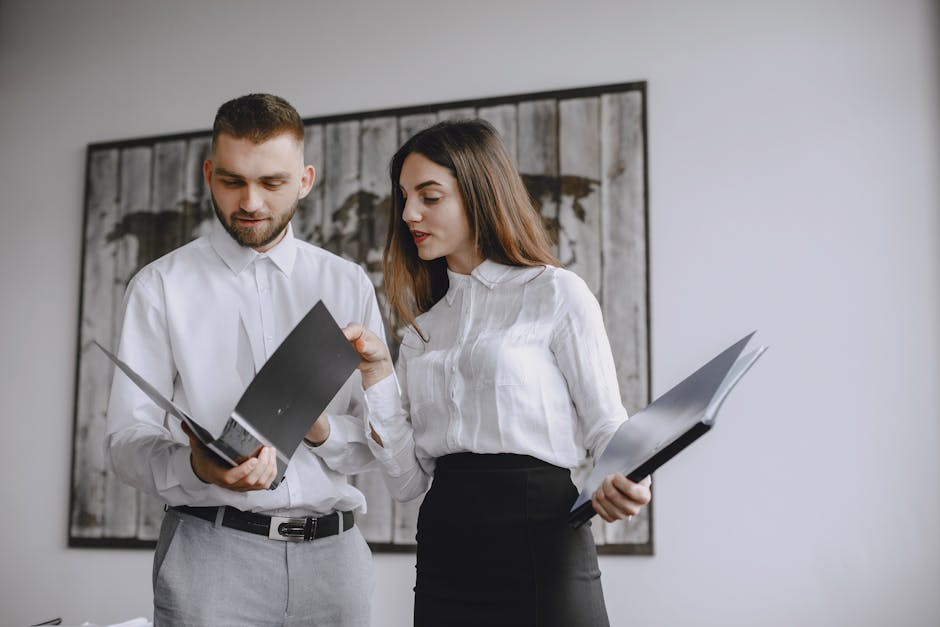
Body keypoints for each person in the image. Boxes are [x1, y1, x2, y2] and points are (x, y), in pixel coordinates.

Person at [343, 119, 653, 627]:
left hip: (542, 538)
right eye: (404, 197)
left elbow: (606, 425)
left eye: (429, 196)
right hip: (447, 545)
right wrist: (377, 374)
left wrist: (627, 477)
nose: (409, 214)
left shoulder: (555, 293)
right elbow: (405, 482)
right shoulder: (421, 331)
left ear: (479, 194)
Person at [105, 93, 382, 627]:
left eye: (272, 183)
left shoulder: (347, 283)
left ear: (304, 180)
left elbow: (377, 441)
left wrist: (321, 429)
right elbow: (124, 445)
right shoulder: (159, 287)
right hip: (211, 558)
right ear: (209, 174)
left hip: (336, 563)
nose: (250, 202)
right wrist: (196, 466)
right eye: (232, 181)